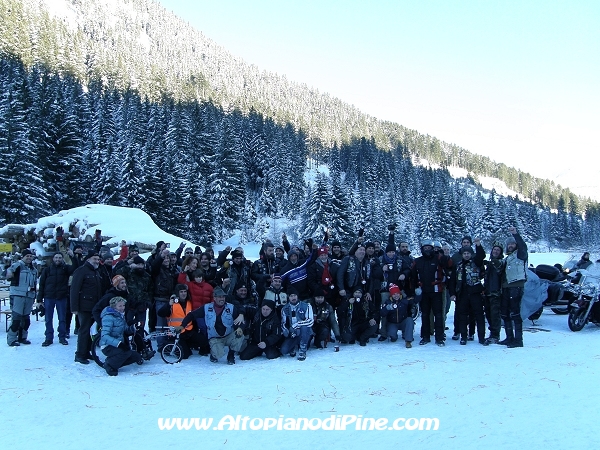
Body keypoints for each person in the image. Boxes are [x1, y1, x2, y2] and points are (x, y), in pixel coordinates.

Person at [180, 287, 245, 364]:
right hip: (215, 338)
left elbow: (241, 321)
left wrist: (240, 328)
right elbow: (191, 315)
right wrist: (182, 326)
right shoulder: (206, 308)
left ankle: (231, 355)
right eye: (219, 297)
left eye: (223, 297)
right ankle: (214, 355)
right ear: (214, 298)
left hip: (229, 335)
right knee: (218, 354)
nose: (222, 299)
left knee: (240, 336)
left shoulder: (231, 307)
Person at [410, 240, 452, 346]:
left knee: (438, 315)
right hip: (423, 291)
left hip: (437, 291)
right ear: (422, 249)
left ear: (433, 249)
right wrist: (414, 290)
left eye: (429, 248)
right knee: (425, 314)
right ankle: (425, 336)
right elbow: (413, 276)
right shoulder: (417, 261)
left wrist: (443, 254)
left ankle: (440, 337)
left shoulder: (439, 259)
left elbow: (450, 264)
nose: (427, 250)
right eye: (425, 248)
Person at [492, 227, 528, 348]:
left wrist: (515, 234)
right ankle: (509, 337)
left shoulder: (520, 254)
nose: (511, 246)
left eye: (513, 243)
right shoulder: (507, 258)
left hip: (516, 286)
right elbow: (498, 265)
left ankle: (518, 340)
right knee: (505, 313)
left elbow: (523, 246)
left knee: (515, 313)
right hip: (506, 288)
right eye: (509, 244)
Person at [37, 251, 78, 346]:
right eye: (56, 257)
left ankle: (62, 337)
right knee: (48, 319)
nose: (58, 259)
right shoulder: (47, 270)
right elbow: (42, 285)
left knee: (62, 318)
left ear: (62, 259)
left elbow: (75, 268)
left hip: (61, 297)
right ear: (53, 258)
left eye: (60, 258)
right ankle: (48, 338)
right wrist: (39, 300)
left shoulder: (65, 269)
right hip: (49, 297)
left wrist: (73, 257)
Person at [449, 244, 486, 345]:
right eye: (464, 253)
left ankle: (481, 337)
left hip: (475, 293)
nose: (466, 255)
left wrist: (478, 245)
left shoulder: (476, 263)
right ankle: (463, 337)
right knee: (462, 316)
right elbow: (452, 280)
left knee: (479, 315)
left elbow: (481, 255)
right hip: (462, 293)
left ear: (471, 254)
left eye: (468, 253)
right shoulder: (458, 265)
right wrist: (452, 293)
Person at [70, 251, 103, 364]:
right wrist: (74, 307)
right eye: (95, 259)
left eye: (98, 259)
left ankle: (87, 352)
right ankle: (79, 354)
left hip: (94, 307)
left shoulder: (96, 272)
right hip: (84, 307)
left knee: (91, 331)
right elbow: (74, 289)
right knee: (84, 330)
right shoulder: (81, 271)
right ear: (88, 259)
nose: (97, 261)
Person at [160, 284, 208, 358]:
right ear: (177, 293)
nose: (183, 294)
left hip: (189, 331)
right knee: (185, 355)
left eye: (185, 291)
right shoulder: (172, 304)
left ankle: (189, 345)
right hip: (177, 333)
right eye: (181, 292)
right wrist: (168, 305)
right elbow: (160, 313)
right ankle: (171, 345)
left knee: (204, 341)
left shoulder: (189, 302)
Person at [99, 296, 144, 376]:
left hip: (119, 344)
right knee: (125, 352)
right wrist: (119, 344)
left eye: (123, 305)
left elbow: (125, 329)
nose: (122, 308)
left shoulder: (120, 315)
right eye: (120, 306)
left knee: (136, 356)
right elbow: (104, 336)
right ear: (114, 307)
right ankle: (109, 364)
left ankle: (114, 362)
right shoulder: (108, 317)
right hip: (108, 346)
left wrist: (134, 327)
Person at [6, 249, 38, 346]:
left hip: (29, 296)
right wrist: (9, 273)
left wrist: (34, 296)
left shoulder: (34, 270)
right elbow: (8, 272)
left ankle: (22, 337)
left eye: (30, 256)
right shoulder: (18, 265)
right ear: (22, 257)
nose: (29, 258)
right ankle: (11, 339)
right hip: (18, 295)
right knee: (16, 318)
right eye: (26, 256)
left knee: (26, 319)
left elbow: (35, 283)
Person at [281, 288, 314, 360]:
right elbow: (283, 323)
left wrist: (295, 326)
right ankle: (292, 347)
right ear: (288, 297)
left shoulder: (306, 306)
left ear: (297, 296)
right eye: (291, 296)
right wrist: (287, 331)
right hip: (292, 333)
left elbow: (310, 321)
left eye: (295, 295)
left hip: (304, 332)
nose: (293, 298)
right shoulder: (284, 309)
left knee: (304, 327)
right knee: (284, 350)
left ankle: (302, 350)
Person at [483, 242, 504, 345]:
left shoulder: (500, 263)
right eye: (494, 250)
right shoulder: (490, 263)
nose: (495, 251)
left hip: (496, 293)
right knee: (488, 314)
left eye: (498, 250)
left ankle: (495, 335)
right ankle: (492, 333)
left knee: (495, 315)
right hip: (487, 293)